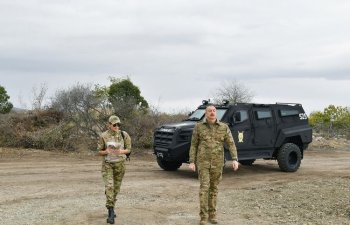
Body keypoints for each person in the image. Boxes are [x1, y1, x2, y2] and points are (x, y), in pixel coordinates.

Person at [189, 105, 239, 225]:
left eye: (214, 111)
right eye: (209, 111)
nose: (212, 113)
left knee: (214, 189)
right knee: (204, 189)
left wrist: (235, 159)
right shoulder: (199, 127)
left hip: (218, 163)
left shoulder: (224, 127)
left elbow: (231, 144)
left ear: (216, 113)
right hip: (203, 163)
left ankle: (213, 215)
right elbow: (194, 145)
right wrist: (192, 161)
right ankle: (203, 217)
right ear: (205, 113)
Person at [97, 115, 131, 224]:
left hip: (120, 165)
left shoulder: (124, 135)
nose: (117, 126)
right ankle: (110, 211)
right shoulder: (103, 136)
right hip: (108, 165)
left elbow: (129, 149)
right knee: (110, 186)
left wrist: (120, 151)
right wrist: (106, 151)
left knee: (116, 188)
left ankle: (112, 205)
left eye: (118, 124)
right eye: (114, 124)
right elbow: (99, 151)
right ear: (109, 125)